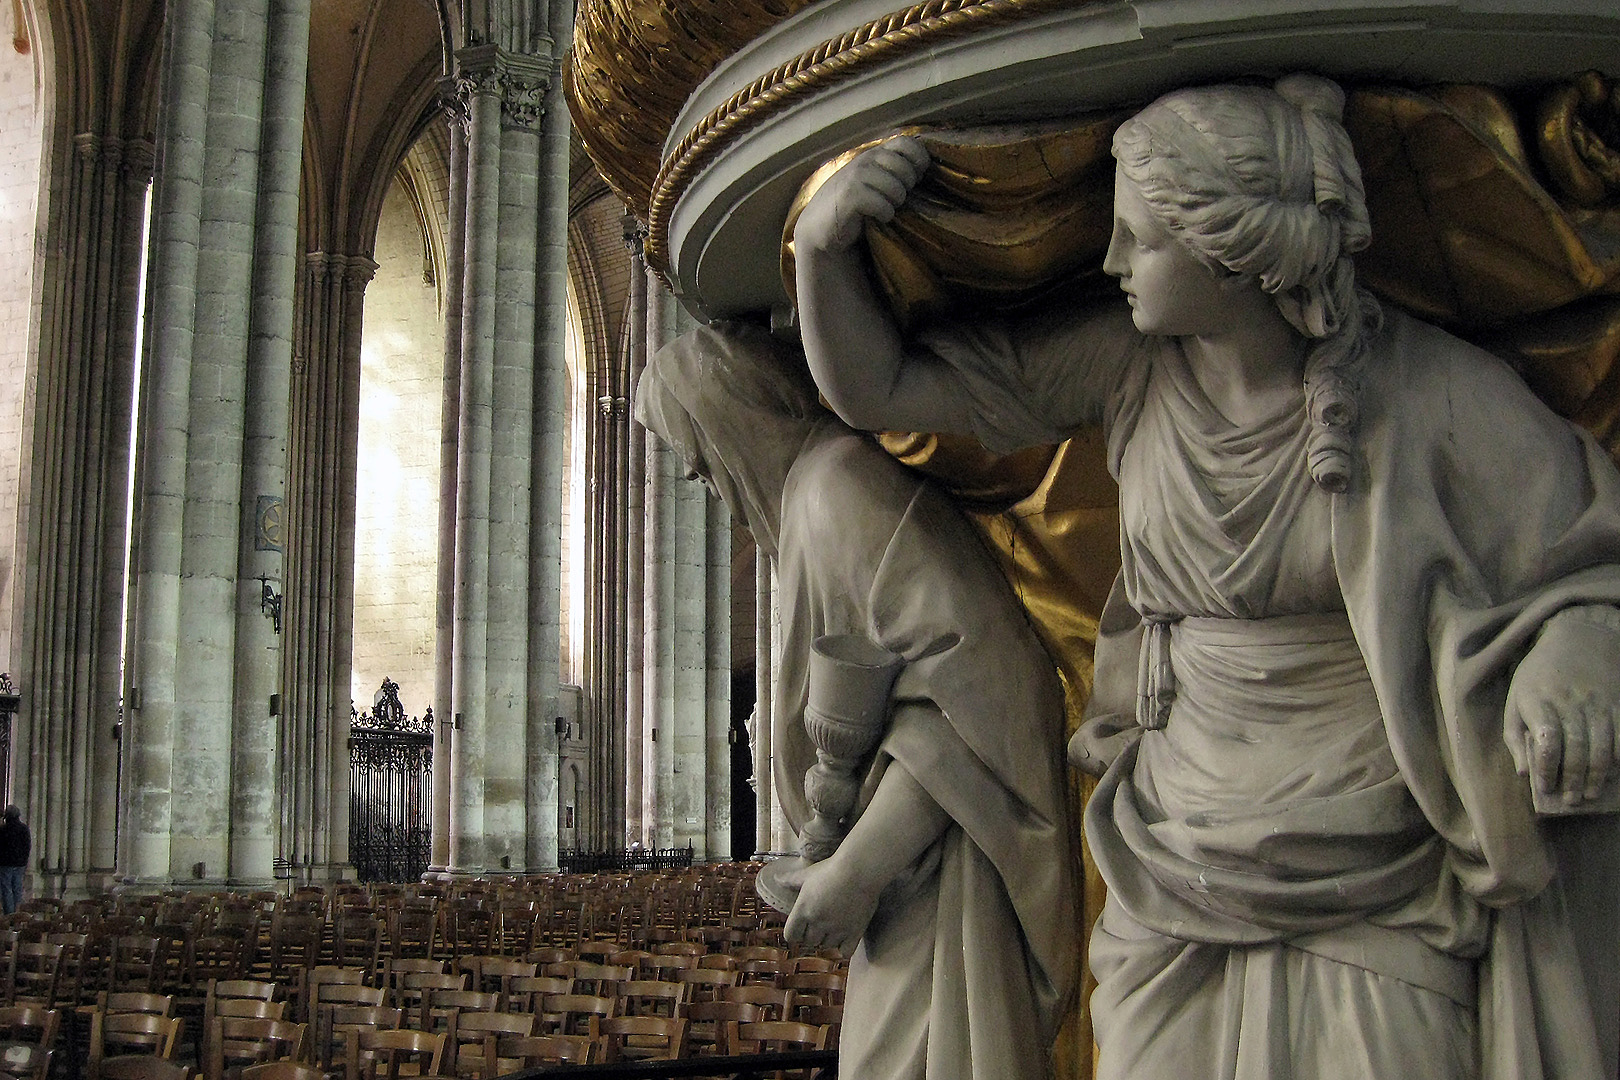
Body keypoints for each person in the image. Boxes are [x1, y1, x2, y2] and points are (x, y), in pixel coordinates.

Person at [791, 73, 1620, 1080]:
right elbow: (881, 388)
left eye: (1140, 239)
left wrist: (1572, 652)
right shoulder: (1127, 365)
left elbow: (1591, 557)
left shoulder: (1424, 388)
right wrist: (822, 252)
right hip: (1176, 845)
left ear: (1234, 257)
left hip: (1380, 853)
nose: (1110, 260)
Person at [635, 320, 1078, 1080]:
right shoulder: (815, 499)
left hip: (947, 882)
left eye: (696, 448)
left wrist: (859, 869)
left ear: (735, 415)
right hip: (907, 887)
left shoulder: (838, 489)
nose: (698, 476)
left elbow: (985, 697)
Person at [0, 805, 29, 915]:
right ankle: (18, 913)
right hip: (19, 863)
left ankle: (10, 914)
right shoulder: (24, 828)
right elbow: (27, 846)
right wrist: (24, 861)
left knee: (6, 889)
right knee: (17, 888)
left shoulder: (3, 829)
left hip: (5, 863)